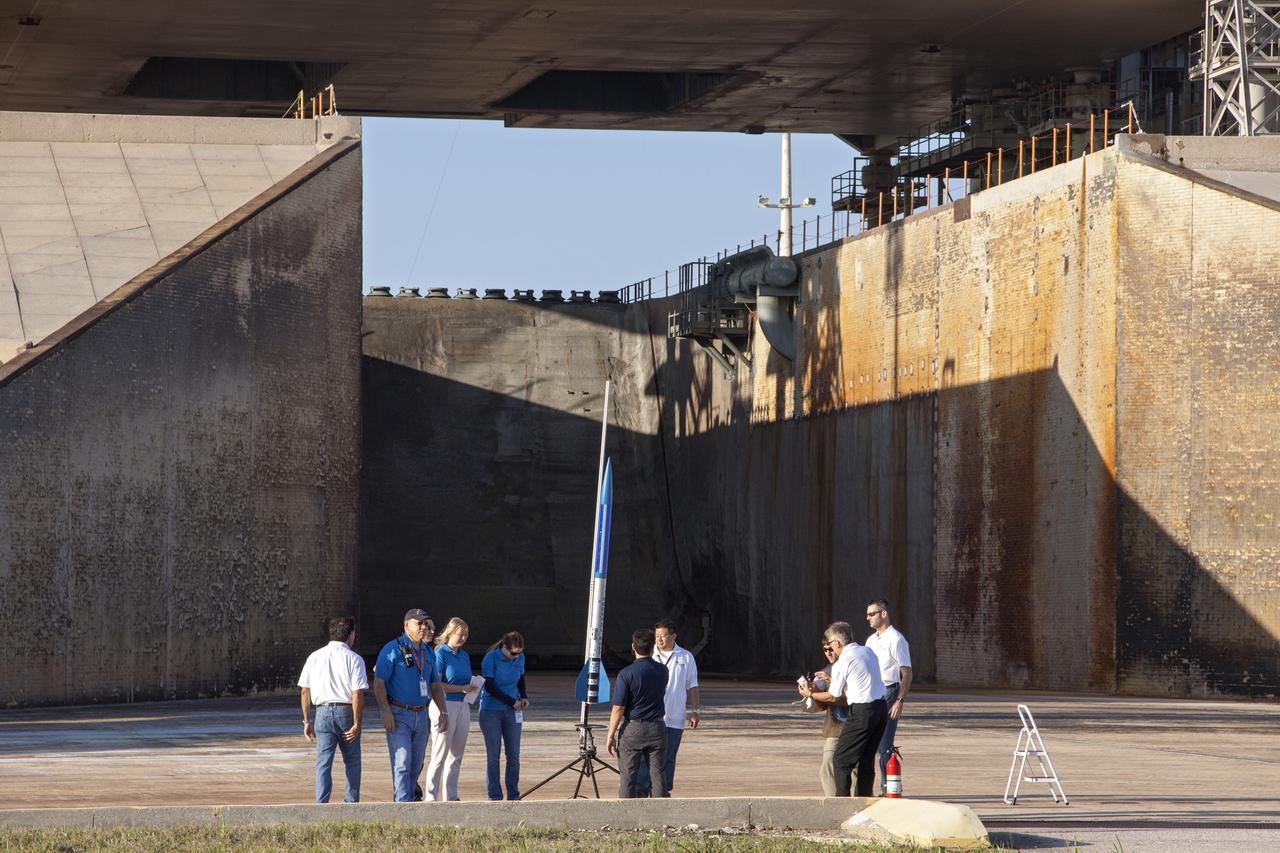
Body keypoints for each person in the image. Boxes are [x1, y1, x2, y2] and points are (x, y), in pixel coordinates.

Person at [799, 621, 886, 797]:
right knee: (866, 759)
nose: (830, 650)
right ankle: (863, 799)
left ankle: (841, 803)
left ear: (837, 643)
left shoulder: (843, 661)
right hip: (881, 709)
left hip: (862, 712)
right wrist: (831, 678)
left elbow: (833, 696)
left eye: (830, 645)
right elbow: (857, 678)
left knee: (841, 760)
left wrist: (810, 694)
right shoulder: (867, 651)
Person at [373, 608, 448, 802]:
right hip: (399, 713)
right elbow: (379, 682)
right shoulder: (392, 649)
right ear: (407, 626)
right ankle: (402, 805)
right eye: (419, 623)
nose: (423, 627)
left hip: (421, 714)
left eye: (426, 623)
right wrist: (386, 711)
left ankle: (408, 800)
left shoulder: (428, 653)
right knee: (402, 762)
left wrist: (444, 711)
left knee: (415, 765)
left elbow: (435, 684)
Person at [298, 615, 368, 803]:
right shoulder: (354, 659)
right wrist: (357, 723)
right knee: (352, 760)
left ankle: (321, 803)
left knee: (323, 762)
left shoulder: (314, 657)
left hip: (322, 712)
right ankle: (350, 802)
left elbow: (305, 691)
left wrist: (307, 721)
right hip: (346, 712)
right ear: (350, 635)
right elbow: (357, 694)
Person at [635, 618, 700, 797]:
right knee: (645, 756)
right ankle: (641, 791)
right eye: (657, 636)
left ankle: (663, 791)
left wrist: (695, 711)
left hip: (674, 716)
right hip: (650, 717)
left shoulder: (685, 657)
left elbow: (692, 686)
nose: (659, 639)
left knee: (668, 756)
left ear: (673, 636)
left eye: (663, 636)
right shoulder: (648, 655)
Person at [606, 628, 671, 798]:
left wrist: (611, 735)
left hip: (633, 728)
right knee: (658, 776)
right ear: (653, 648)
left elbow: (618, 708)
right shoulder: (663, 670)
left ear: (633, 647)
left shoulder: (626, 674)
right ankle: (660, 811)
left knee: (628, 776)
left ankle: (626, 811)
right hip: (657, 726)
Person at [424, 617, 475, 801]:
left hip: (463, 704)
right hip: (444, 704)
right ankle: (431, 796)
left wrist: (472, 685)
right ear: (450, 633)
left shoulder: (464, 655)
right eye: (460, 634)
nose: (463, 638)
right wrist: (460, 688)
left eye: (466, 635)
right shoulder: (441, 653)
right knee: (440, 753)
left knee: (456, 754)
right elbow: (436, 684)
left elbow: (465, 678)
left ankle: (451, 796)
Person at [865, 599, 913, 795]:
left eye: (872, 614)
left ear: (883, 614)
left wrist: (899, 700)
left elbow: (907, 672)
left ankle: (889, 788)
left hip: (889, 691)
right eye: (867, 614)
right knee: (872, 742)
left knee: (885, 743)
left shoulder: (896, 639)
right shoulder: (871, 640)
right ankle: (874, 786)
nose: (868, 618)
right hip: (872, 692)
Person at [478, 631, 528, 800]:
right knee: (493, 755)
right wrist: (511, 701)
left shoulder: (520, 658)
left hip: (512, 711)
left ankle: (513, 794)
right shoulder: (491, 658)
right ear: (504, 648)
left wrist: (524, 696)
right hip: (491, 710)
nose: (516, 657)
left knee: (514, 755)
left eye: (519, 653)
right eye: (513, 653)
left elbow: (520, 678)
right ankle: (494, 795)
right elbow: (490, 687)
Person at [797, 640, 844, 797]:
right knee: (827, 766)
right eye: (825, 650)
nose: (829, 653)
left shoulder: (851, 665)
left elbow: (841, 697)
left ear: (840, 646)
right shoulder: (826, 670)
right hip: (835, 727)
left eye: (831, 649)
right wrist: (812, 691)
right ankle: (833, 802)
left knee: (855, 768)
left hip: (856, 723)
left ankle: (857, 800)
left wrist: (829, 682)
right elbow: (812, 706)